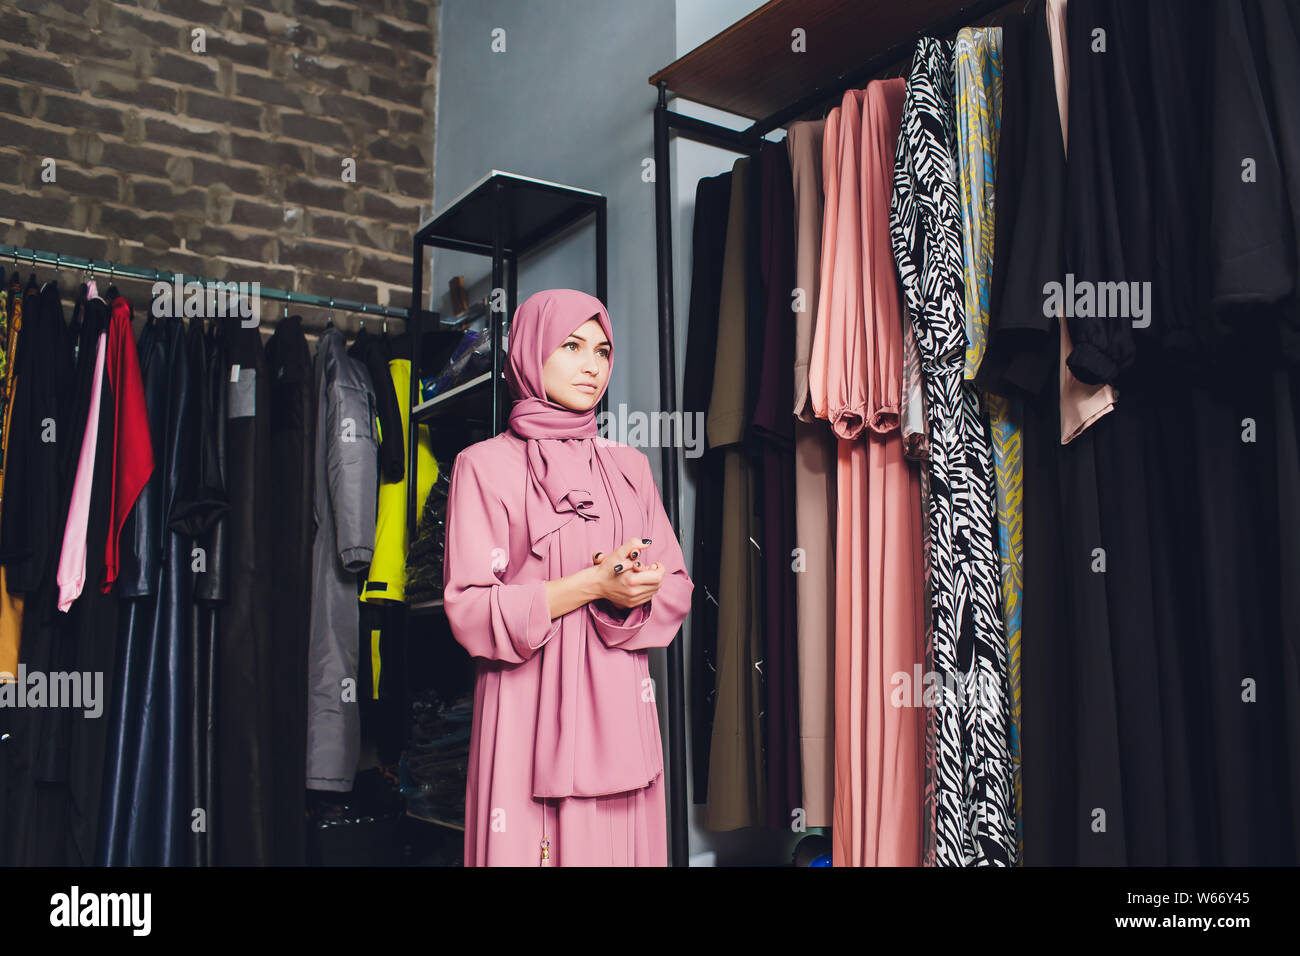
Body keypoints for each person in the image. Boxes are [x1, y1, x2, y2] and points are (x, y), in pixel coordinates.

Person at [442, 288, 694, 866]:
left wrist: (629, 598)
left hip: (621, 717)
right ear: (530, 352)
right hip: (525, 716)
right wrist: (591, 586)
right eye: (572, 346)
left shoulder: (628, 467)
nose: (591, 365)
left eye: (602, 351)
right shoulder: (482, 465)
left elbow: (676, 584)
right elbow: (469, 609)